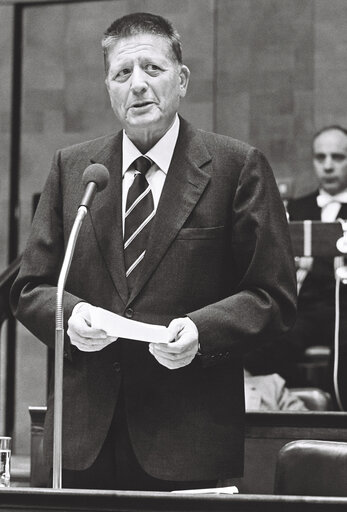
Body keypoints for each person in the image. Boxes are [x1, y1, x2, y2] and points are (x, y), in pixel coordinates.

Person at [10, 12, 296, 491]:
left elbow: (272, 294)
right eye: (123, 73)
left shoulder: (235, 166)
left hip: (189, 435)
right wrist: (70, 315)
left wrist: (202, 330)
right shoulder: (75, 168)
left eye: (152, 69)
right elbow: (32, 287)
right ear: (108, 87)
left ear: (181, 80)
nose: (137, 85)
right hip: (82, 443)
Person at [245, 126, 347, 404]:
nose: (327, 165)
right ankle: (285, 404)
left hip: (343, 307)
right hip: (304, 306)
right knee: (264, 338)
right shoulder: (296, 208)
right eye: (321, 157)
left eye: (337, 157)